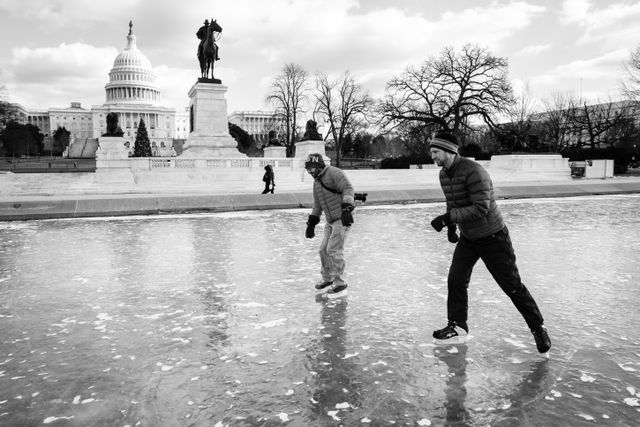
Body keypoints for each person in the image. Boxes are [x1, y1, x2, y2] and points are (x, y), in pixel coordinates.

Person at [428, 131, 551, 354]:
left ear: (449, 150)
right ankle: (458, 326)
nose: (433, 157)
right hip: (469, 237)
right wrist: (452, 228)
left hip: (493, 235)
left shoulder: (475, 172)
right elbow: (453, 201)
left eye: (435, 152)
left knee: (511, 285)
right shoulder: (444, 175)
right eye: (432, 153)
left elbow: (481, 208)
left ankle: (538, 327)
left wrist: (448, 219)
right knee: (456, 279)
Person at [304, 153, 355, 298]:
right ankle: (327, 279)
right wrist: (311, 223)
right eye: (308, 169)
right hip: (330, 220)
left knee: (334, 249)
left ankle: (340, 283)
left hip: (343, 217)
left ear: (319, 166)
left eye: (312, 168)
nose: (310, 172)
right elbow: (317, 205)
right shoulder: (316, 183)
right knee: (323, 250)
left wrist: (346, 208)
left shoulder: (334, 173)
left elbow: (348, 188)